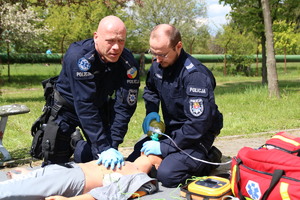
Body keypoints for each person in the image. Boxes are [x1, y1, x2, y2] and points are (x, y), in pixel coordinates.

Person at [127, 24, 223, 188]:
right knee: (133, 158)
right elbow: (151, 90)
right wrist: (152, 112)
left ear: (178, 46)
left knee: (168, 175)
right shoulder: (158, 65)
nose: (157, 60)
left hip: (199, 134)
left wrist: (164, 147)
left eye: (162, 54)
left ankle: (209, 158)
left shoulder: (195, 76)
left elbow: (198, 125)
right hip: (174, 129)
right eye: (153, 53)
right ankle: (167, 158)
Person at [39, 15, 140, 167]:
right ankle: (70, 143)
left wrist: (112, 145)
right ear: (96, 37)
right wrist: (103, 146)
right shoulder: (79, 57)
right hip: (67, 108)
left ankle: (78, 145)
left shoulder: (128, 63)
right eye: (110, 41)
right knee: (54, 166)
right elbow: (84, 105)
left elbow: (125, 106)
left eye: (121, 41)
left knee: (100, 162)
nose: (116, 47)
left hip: (98, 107)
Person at [0, 153, 161, 200]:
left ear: (156, 165)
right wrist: (33, 174)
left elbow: (109, 193)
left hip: (73, 180)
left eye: (154, 155)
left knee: (9, 192)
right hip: (64, 170)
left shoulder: (140, 178)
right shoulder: (125, 161)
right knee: (14, 188)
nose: (146, 152)